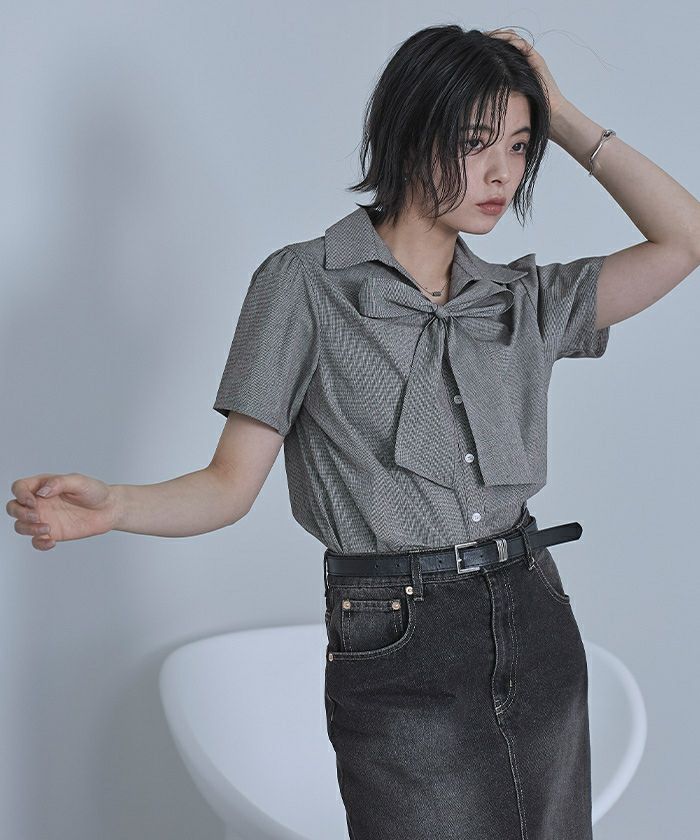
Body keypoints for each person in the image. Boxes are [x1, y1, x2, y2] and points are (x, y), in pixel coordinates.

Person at [7, 23, 700, 840]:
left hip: (533, 614)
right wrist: (116, 504)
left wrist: (563, 113)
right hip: (398, 633)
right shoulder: (303, 284)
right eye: (475, 142)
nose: (501, 173)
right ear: (409, 132)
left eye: (519, 147)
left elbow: (684, 238)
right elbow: (229, 487)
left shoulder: (520, 301)